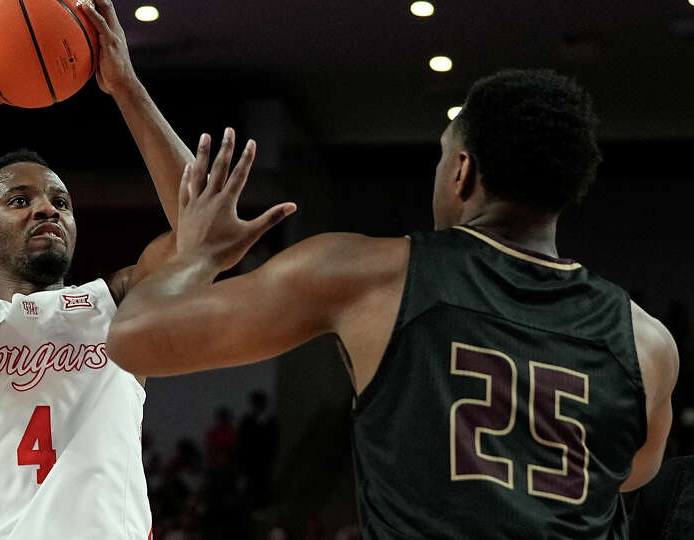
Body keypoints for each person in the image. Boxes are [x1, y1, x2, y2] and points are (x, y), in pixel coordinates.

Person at [106, 69, 679, 538]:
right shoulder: (648, 342)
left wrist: (198, 253)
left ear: (462, 171)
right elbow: (628, 474)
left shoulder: (368, 275)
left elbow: (135, 340)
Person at [0, 1, 188, 537]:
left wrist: (127, 87)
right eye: (19, 200)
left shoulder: (116, 306)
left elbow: (203, 235)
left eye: (61, 201)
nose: (47, 209)